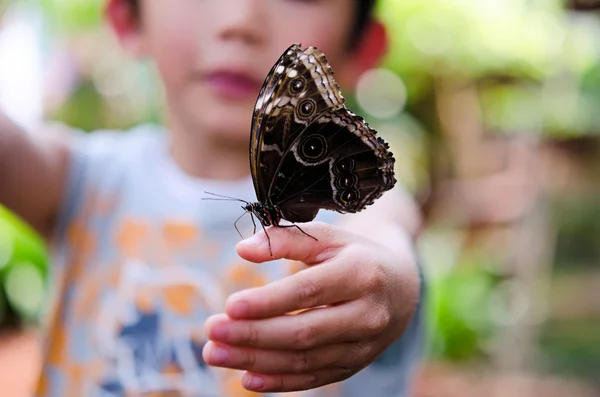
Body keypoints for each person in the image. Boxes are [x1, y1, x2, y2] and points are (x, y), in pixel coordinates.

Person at [0, 0, 425, 395]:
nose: (240, 19)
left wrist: (392, 275)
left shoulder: (354, 233)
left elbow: (388, 228)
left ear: (363, 47)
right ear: (127, 18)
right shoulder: (82, 179)